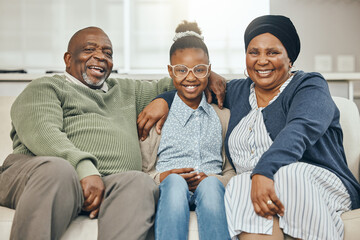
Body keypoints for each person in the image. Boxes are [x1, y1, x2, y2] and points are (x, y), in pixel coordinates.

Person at [138, 15, 360, 240]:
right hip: (258, 183)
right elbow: (193, 87)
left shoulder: (309, 86)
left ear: (290, 58)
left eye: (272, 52)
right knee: (241, 183)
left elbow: (300, 130)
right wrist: (164, 100)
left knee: (287, 174)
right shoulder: (238, 92)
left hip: (314, 182)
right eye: (254, 52)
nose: (262, 60)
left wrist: (264, 172)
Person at [0, 26, 226, 240]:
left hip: (110, 183)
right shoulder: (46, 87)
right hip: (43, 173)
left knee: (140, 184)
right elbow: (44, 134)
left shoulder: (127, 91)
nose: (100, 56)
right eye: (89, 49)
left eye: (107, 53)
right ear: (68, 59)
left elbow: (182, 81)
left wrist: (209, 75)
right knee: (59, 170)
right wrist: (85, 171)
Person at [140, 21, 234, 240]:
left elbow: (231, 171)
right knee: (174, 182)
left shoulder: (223, 117)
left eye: (199, 70)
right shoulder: (156, 118)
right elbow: (144, 172)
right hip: (168, 189)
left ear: (209, 71)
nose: (190, 77)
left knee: (211, 185)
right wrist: (163, 176)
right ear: (170, 71)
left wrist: (214, 180)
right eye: (181, 70)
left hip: (211, 187)